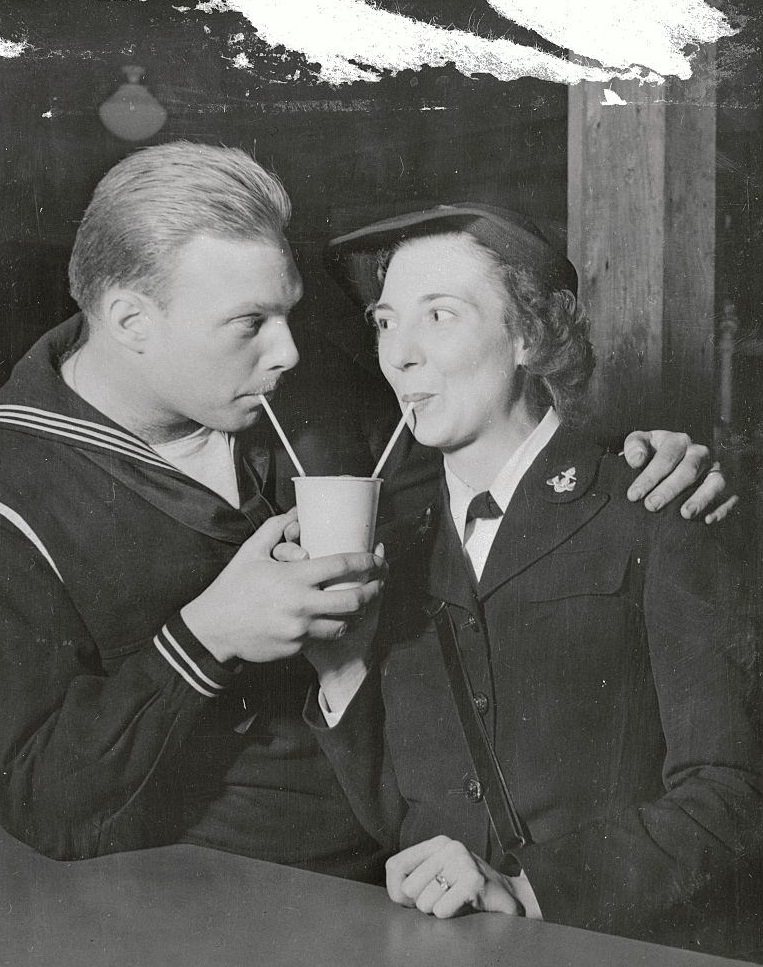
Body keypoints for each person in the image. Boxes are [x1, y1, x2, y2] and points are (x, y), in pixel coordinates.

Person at [0, 147, 729, 879]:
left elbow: (499, 469)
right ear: (130, 318)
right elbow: (39, 802)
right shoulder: (18, 489)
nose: (287, 350)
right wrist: (208, 633)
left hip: (430, 870)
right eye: (249, 322)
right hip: (221, 897)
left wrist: (630, 460)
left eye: (289, 312)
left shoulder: (307, 393)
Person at [308, 204, 762, 954]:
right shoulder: (397, 544)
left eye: (439, 316)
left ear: (528, 335)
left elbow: (734, 797)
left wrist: (525, 890)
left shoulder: (657, 505)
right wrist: (341, 668)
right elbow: (404, 821)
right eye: (386, 322)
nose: (399, 355)